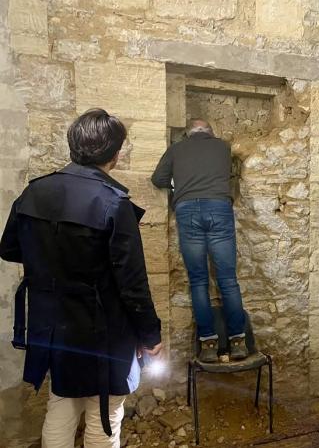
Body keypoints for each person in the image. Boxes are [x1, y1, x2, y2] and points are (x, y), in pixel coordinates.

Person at [0, 108, 162, 447]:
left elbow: (10, 248)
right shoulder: (114, 203)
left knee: (61, 404)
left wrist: (51, 268)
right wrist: (150, 334)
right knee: (106, 412)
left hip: (54, 324)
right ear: (115, 154)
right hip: (104, 327)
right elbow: (132, 283)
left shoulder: (33, 192)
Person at [151, 119, 247, 363]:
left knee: (198, 281)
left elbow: (158, 179)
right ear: (210, 133)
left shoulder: (176, 149)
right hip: (219, 207)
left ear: (187, 134)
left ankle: (208, 345)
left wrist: (178, 186)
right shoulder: (222, 147)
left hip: (187, 211)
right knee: (228, 279)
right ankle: (238, 342)